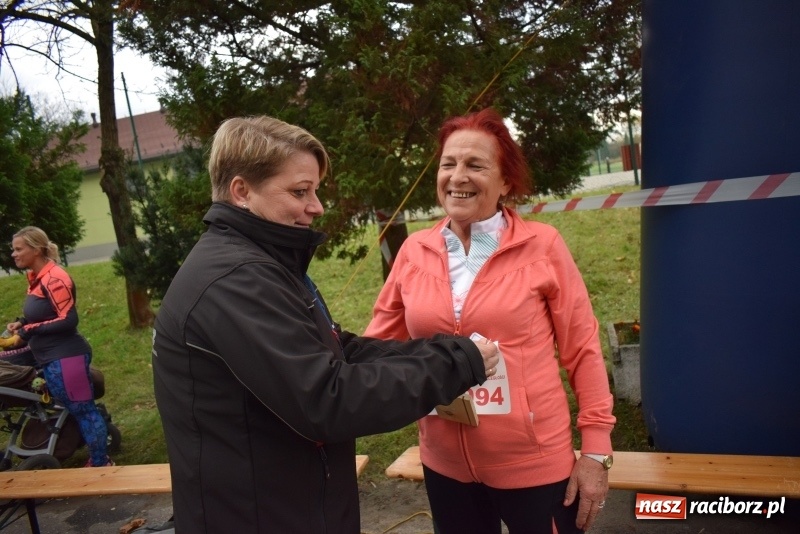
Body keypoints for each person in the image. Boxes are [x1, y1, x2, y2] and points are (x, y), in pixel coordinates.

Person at [151, 115, 500, 533]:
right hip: (259, 516)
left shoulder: (260, 265)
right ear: (242, 191)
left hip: (286, 504)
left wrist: (442, 350)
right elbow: (327, 399)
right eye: (300, 191)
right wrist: (455, 364)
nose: (316, 206)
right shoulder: (236, 280)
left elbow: (337, 350)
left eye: (314, 190)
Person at [365, 108, 616, 534]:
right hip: (444, 461)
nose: (457, 176)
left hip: (533, 461)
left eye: (475, 165)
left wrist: (595, 451)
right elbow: (376, 344)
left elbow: (582, 347)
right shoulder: (414, 252)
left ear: (505, 182)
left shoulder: (542, 246)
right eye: (448, 164)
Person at [6, 226, 112, 467]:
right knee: (76, 410)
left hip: (67, 357)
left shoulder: (55, 277)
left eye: (18, 249)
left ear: (36, 249)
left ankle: (101, 464)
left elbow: (68, 319)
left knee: (84, 411)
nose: (14, 254)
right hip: (49, 357)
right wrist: (22, 322)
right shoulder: (36, 277)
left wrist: (27, 330)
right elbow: (42, 313)